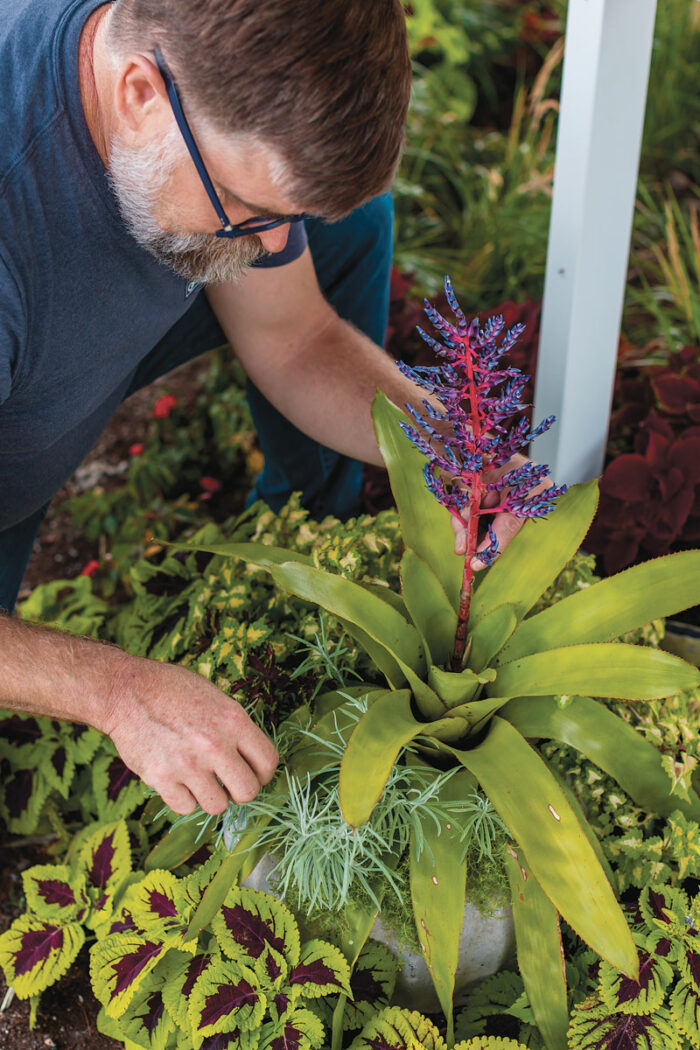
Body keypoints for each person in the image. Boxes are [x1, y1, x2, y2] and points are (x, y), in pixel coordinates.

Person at [0, 0, 543, 818]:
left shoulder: (192, 87)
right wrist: (117, 692)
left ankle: (307, 513)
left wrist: (454, 450)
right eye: (248, 212)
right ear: (142, 90)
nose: (266, 249)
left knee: (351, 225)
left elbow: (294, 341)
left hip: (37, 362)